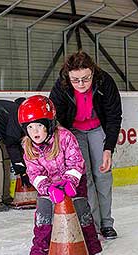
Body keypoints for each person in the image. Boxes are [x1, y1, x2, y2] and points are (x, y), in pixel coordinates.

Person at [18, 95, 107, 255]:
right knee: (43, 218)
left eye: (40, 126)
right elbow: (34, 173)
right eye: (30, 127)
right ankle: (39, 254)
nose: (35, 131)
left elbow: (76, 162)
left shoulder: (65, 137)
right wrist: (47, 188)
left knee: (83, 217)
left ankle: (94, 252)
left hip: (73, 183)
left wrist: (69, 182)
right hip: (49, 186)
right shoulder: (28, 146)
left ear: (49, 124)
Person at [49, 51, 122, 239]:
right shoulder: (61, 86)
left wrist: (108, 149)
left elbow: (114, 117)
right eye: (76, 80)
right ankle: (93, 225)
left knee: (103, 174)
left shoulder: (105, 82)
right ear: (68, 76)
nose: (81, 84)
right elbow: (55, 118)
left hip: (98, 129)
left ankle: (107, 223)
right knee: (85, 177)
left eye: (85, 79)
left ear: (93, 73)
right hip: (74, 132)